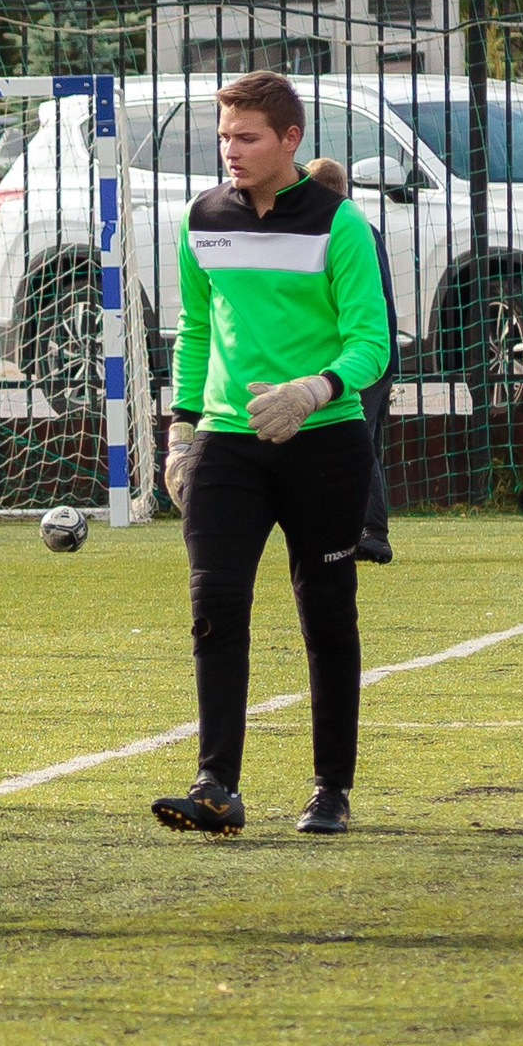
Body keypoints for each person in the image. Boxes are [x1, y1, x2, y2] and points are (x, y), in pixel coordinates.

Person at [156, 74, 391, 841]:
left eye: (247, 136)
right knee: (213, 607)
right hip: (226, 442)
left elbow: (371, 344)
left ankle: (331, 790)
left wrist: (313, 389)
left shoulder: (340, 223)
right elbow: (194, 330)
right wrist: (181, 428)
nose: (231, 149)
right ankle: (216, 785)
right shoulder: (202, 218)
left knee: (326, 614)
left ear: (289, 140)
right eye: (224, 135)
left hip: (325, 442)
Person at [303, 155, 398, 564]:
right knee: (365, 440)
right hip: (379, 350)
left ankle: (372, 532)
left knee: (356, 442)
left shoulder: (334, 229)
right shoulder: (363, 227)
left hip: (354, 356)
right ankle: (357, 526)